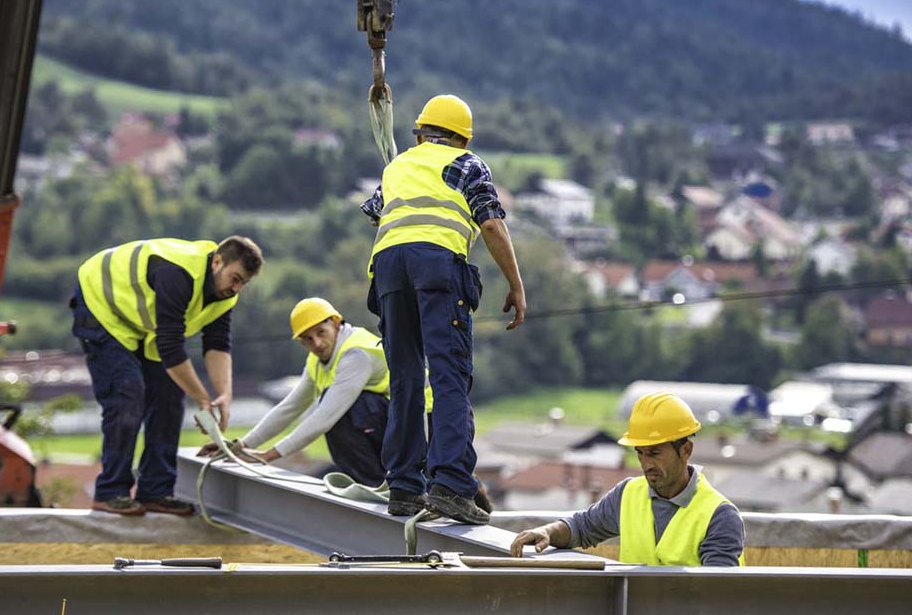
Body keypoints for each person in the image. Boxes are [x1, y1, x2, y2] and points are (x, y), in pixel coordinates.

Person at [362, 94, 525, 524]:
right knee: (449, 375)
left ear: (420, 132)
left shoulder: (398, 166)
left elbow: (377, 212)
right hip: (436, 266)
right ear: (462, 137)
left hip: (389, 268)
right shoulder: (468, 164)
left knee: (406, 378)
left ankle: (404, 486)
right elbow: (490, 222)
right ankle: (451, 485)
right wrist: (515, 284)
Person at [72, 236, 263, 516]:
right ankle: (111, 492)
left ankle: (156, 490)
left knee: (170, 397)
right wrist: (202, 399)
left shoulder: (225, 295)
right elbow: (171, 349)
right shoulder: (178, 272)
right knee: (127, 394)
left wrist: (224, 394)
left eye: (243, 283)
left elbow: (218, 344)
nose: (236, 289)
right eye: (234, 279)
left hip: (141, 325)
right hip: (101, 304)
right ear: (217, 262)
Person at [509, 393, 745, 565]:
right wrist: (548, 532)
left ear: (685, 451)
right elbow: (582, 527)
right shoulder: (628, 494)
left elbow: (717, 596)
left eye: (654, 453)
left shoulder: (719, 516)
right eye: (640, 453)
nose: (645, 463)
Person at [224, 297, 416, 487]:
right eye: (308, 339)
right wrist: (241, 445)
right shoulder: (316, 361)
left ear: (335, 324)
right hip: (397, 423)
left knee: (346, 410)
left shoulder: (356, 355)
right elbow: (290, 408)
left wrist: (269, 455)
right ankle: (374, 482)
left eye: (321, 332)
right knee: (342, 406)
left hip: (420, 423)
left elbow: (324, 418)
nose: (317, 343)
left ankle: (375, 483)